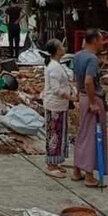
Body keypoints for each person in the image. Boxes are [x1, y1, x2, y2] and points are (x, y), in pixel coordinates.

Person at [72, 29, 108, 188]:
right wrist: (93, 102)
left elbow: (77, 80)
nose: (102, 43)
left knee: (83, 133)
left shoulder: (78, 56)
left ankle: (77, 170)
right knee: (93, 136)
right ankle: (89, 175)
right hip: (91, 98)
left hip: (82, 96)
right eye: (100, 40)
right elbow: (88, 81)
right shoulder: (92, 59)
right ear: (94, 41)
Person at [42, 39, 75, 178]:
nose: (63, 47)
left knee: (58, 133)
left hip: (59, 105)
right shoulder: (54, 67)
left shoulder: (57, 65)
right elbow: (56, 89)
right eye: (61, 46)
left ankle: (56, 162)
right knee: (54, 134)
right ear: (56, 50)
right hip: (55, 104)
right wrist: (71, 98)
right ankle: (50, 165)